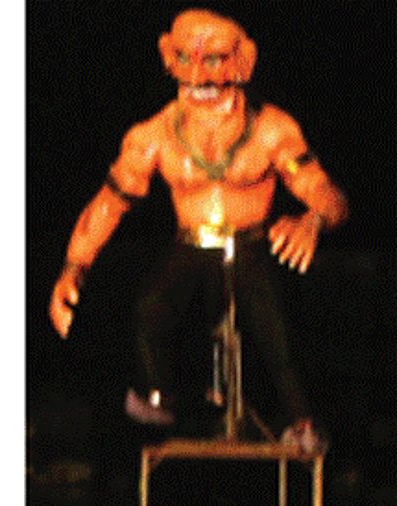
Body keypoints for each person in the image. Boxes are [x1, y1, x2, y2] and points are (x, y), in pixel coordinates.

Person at [48, 9, 347, 456]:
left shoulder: (270, 131)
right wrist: (74, 266)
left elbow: (325, 192)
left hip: (251, 245)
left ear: (242, 63)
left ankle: (301, 420)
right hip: (190, 247)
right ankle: (158, 397)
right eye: (186, 58)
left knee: (271, 324)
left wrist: (313, 219)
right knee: (151, 308)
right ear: (169, 58)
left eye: (214, 60)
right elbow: (109, 204)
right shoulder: (152, 136)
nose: (198, 73)